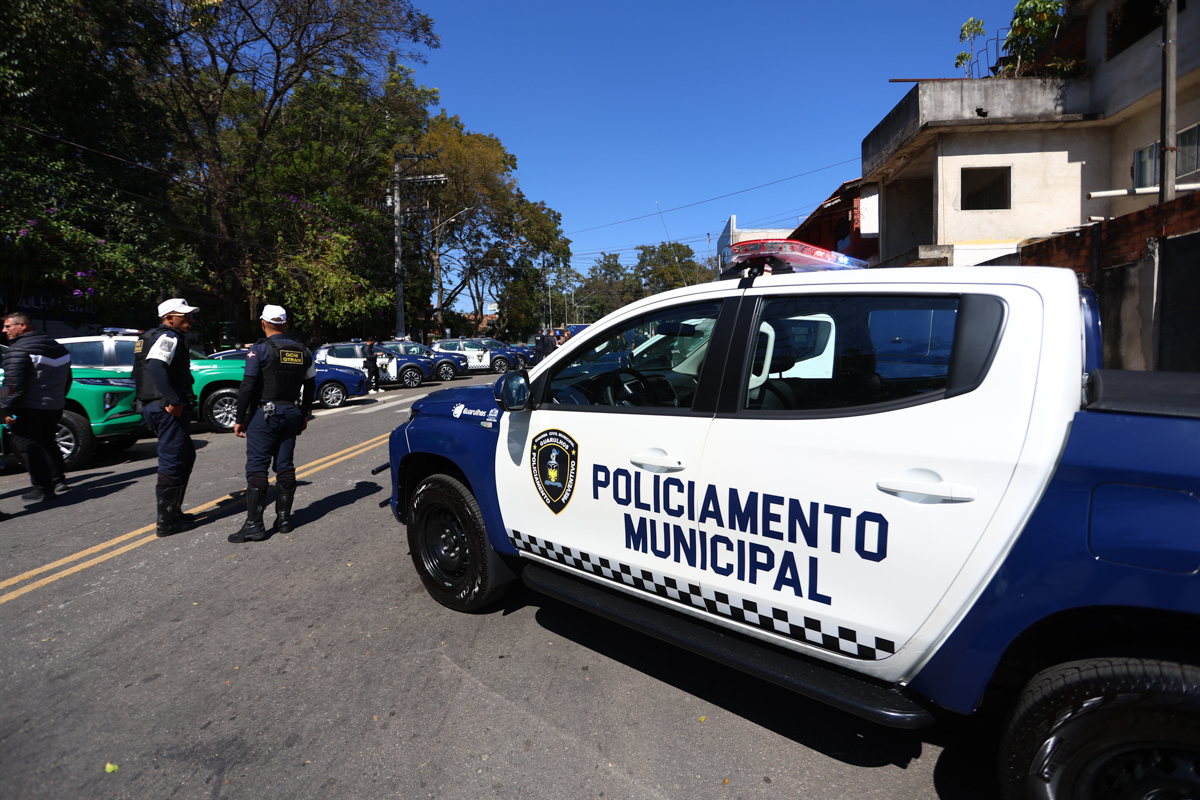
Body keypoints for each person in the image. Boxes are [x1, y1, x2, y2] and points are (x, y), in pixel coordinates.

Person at [229, 305, 315, 543]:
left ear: (263, 323)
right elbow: (310, 385)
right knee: (285, 464)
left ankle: (254, 525)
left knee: (257, 466)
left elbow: (248, 385)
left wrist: (239, 418)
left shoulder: (259, 349)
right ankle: (284, 520)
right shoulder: (303, 351)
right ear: (285, 324)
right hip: (292, 412)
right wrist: (304, 413)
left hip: (265, 414)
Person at [133, 298, 200, 536]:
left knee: (185, 455)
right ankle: (167, 522)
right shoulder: (168, 337)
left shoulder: (151, 337)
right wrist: (174, 400)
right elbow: (154, 367)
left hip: (157, 406)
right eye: (185, 316)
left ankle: (174, 511)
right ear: (169, 318)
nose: (190, 320)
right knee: (173, 460)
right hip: (167, 408)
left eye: (191, 316)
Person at [1, 313, 72, 503]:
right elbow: (67, 379)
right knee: (48, 441)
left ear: (23, 325)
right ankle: (58, 480)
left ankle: (43, 488)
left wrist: (5, 410)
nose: (4, 330)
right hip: (53, 406)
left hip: (29, 407)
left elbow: (14, 385)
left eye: (8, 326)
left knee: (27, 446)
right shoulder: (58, 348)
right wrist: (57, 399)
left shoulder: (18, 349)